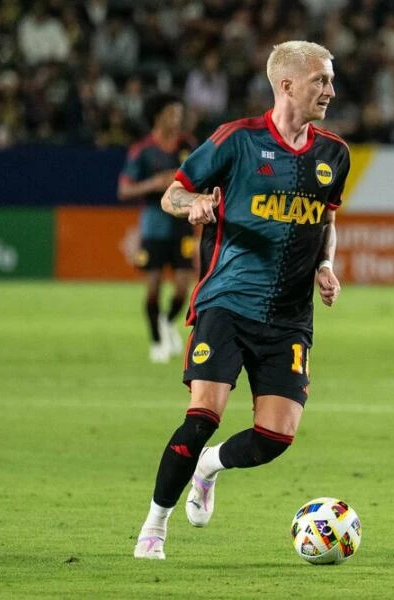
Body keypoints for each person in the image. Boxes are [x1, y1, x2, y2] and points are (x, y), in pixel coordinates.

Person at [133, 41, 350, 560]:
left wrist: (325, 264)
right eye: (321, 79)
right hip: (227, 301)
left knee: (276, 437)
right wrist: (197, 203)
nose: (331, 90)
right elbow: (173, 193)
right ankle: (155, 526)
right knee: (203, 412)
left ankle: (209, 467)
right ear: (287, 84)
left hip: (290, 315)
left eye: (331, 79)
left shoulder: (333, 154)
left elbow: (327, 223)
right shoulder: (237, 140)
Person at [118, 93, 197, 363]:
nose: (177, 119)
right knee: (152, 287)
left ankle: (166, 321)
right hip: (154, 225)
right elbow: (125, 189)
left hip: (182, 223)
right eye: (172, 114)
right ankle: (155, 341)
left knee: (183, 288)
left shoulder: (188, 145)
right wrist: (154, 183)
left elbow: (203, 177)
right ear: (158, 116)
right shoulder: (143, 150)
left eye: (179, 114)